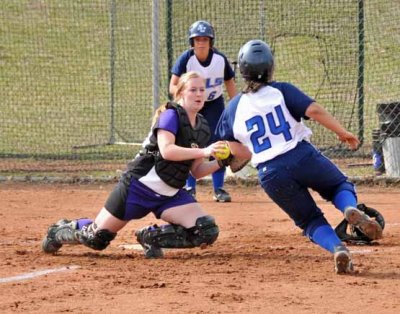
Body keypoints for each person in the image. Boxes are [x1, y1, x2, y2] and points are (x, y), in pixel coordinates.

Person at [216, 39, 383, 274]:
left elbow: (228, 145)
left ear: (242, 71)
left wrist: (232, 159)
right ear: (270, 67)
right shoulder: (281, 90)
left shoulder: (233, 108)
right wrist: (342, 132)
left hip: (269, 173)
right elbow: (313, 110)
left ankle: (338, 248)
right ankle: (347, 209)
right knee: (339, 186)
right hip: (300, 155)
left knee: (310, 221)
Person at [41, 71, 228, 259]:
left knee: (206, 230)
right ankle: (59, 231)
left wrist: (221, 162)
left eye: (202, 90)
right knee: (96, 239)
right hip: (138, 188)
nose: (198, 94)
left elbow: (195, 171)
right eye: (193, 89)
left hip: (169, 195)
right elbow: (167, 150)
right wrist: (205, 152)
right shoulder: (171, 115)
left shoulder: (202, 126)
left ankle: (150, 237)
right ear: (180, 93)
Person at [169, 20, 237, 202]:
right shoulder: (186, 58)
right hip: (191, 105)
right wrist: (184, 99)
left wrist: (235, 105)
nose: (201, 43)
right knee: (191, 143)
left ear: (210, 42)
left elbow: (230, 82)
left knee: (219, 143)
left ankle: (219, 188)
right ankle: (190, 187)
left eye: (205, 39)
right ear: (192, 42)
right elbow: (172, 86)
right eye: (197, 39)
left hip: (214, 104)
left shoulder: (219, 59)